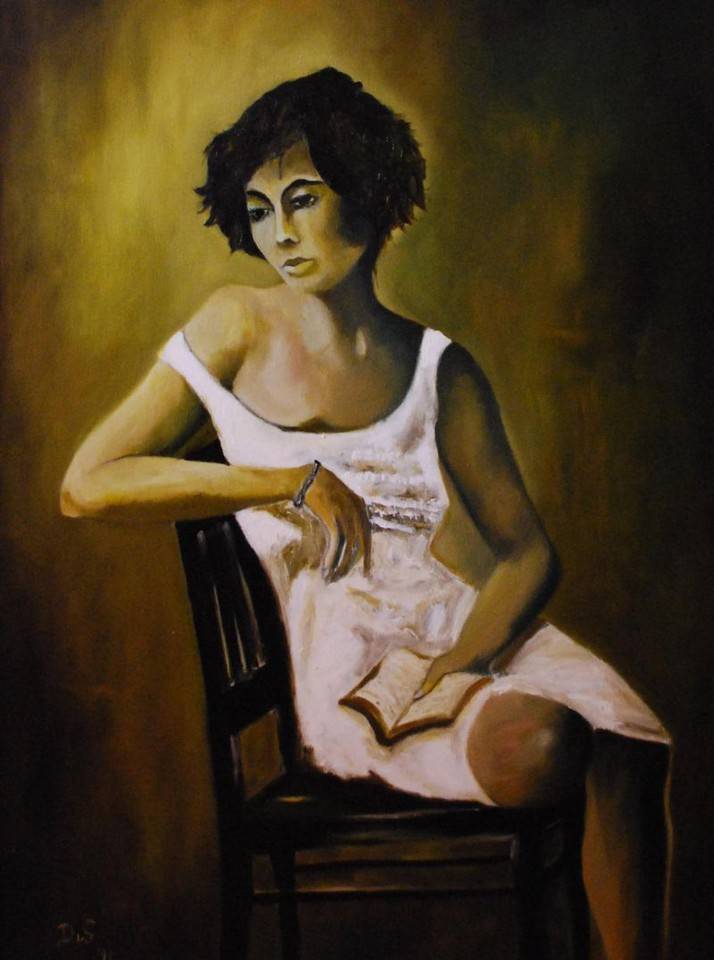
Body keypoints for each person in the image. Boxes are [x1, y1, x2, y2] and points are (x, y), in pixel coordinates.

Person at [61, 68, 670, 959]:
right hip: (350, 668)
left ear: (372, 191)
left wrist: (462, 660)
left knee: (630, 741)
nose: (280, 233)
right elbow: (87, 483)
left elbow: (528, 553)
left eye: (303, 199)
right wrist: (283, 481)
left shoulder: (437, 366)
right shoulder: (235, 326)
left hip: (464, 634)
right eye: (259, 210)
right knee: (549, 745)